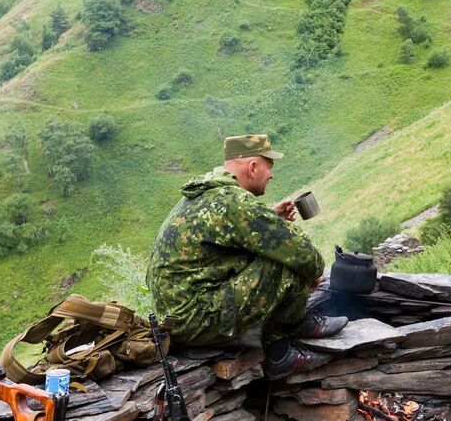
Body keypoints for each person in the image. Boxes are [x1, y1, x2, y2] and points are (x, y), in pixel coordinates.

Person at [147, 134, 346, 378]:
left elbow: (227, 238)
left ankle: (293, 326)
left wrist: (271, 217)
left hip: (178, 320)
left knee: (275, 251)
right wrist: (314, 273)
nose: (271, 175)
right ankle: (282, 350)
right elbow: (301, 252)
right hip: (197, 321)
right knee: (283, 260)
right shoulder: (233, 201)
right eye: (269, 168)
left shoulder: (207, 194)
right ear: (252, 167)